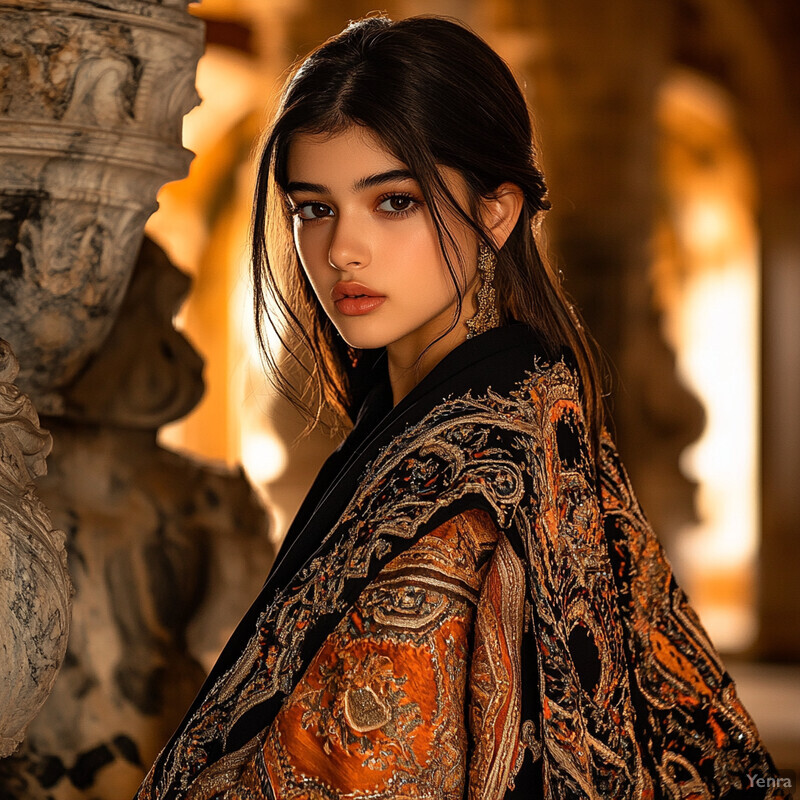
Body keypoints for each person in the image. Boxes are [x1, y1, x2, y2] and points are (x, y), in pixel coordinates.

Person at [136, 15, 789, 800]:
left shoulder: (474, 471)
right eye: (314, 208)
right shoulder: (508, 407)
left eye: (394, 203)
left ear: (495, 213)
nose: (343, 249)